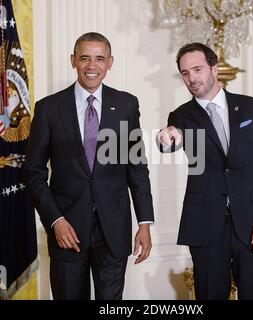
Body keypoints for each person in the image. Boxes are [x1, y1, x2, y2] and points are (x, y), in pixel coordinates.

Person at [24, 32, 154, 300]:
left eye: (99, 59)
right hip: (67, 230)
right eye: (84, 58)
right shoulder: (48, 109)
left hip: (113, 230)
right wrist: (55, 221)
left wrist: (144, 222)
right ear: (73, 60)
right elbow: (33, 172)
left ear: (110, 62)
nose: (91, 66)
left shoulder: (127, 104)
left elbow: (136, 166)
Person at [158, 42, 253, 300]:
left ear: (214, 69)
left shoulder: (252, 108)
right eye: (185, 73)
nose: (192, 78)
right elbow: (171, 139)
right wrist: (166, 138)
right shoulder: (181, 116)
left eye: (197, 69)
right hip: (205, 227)